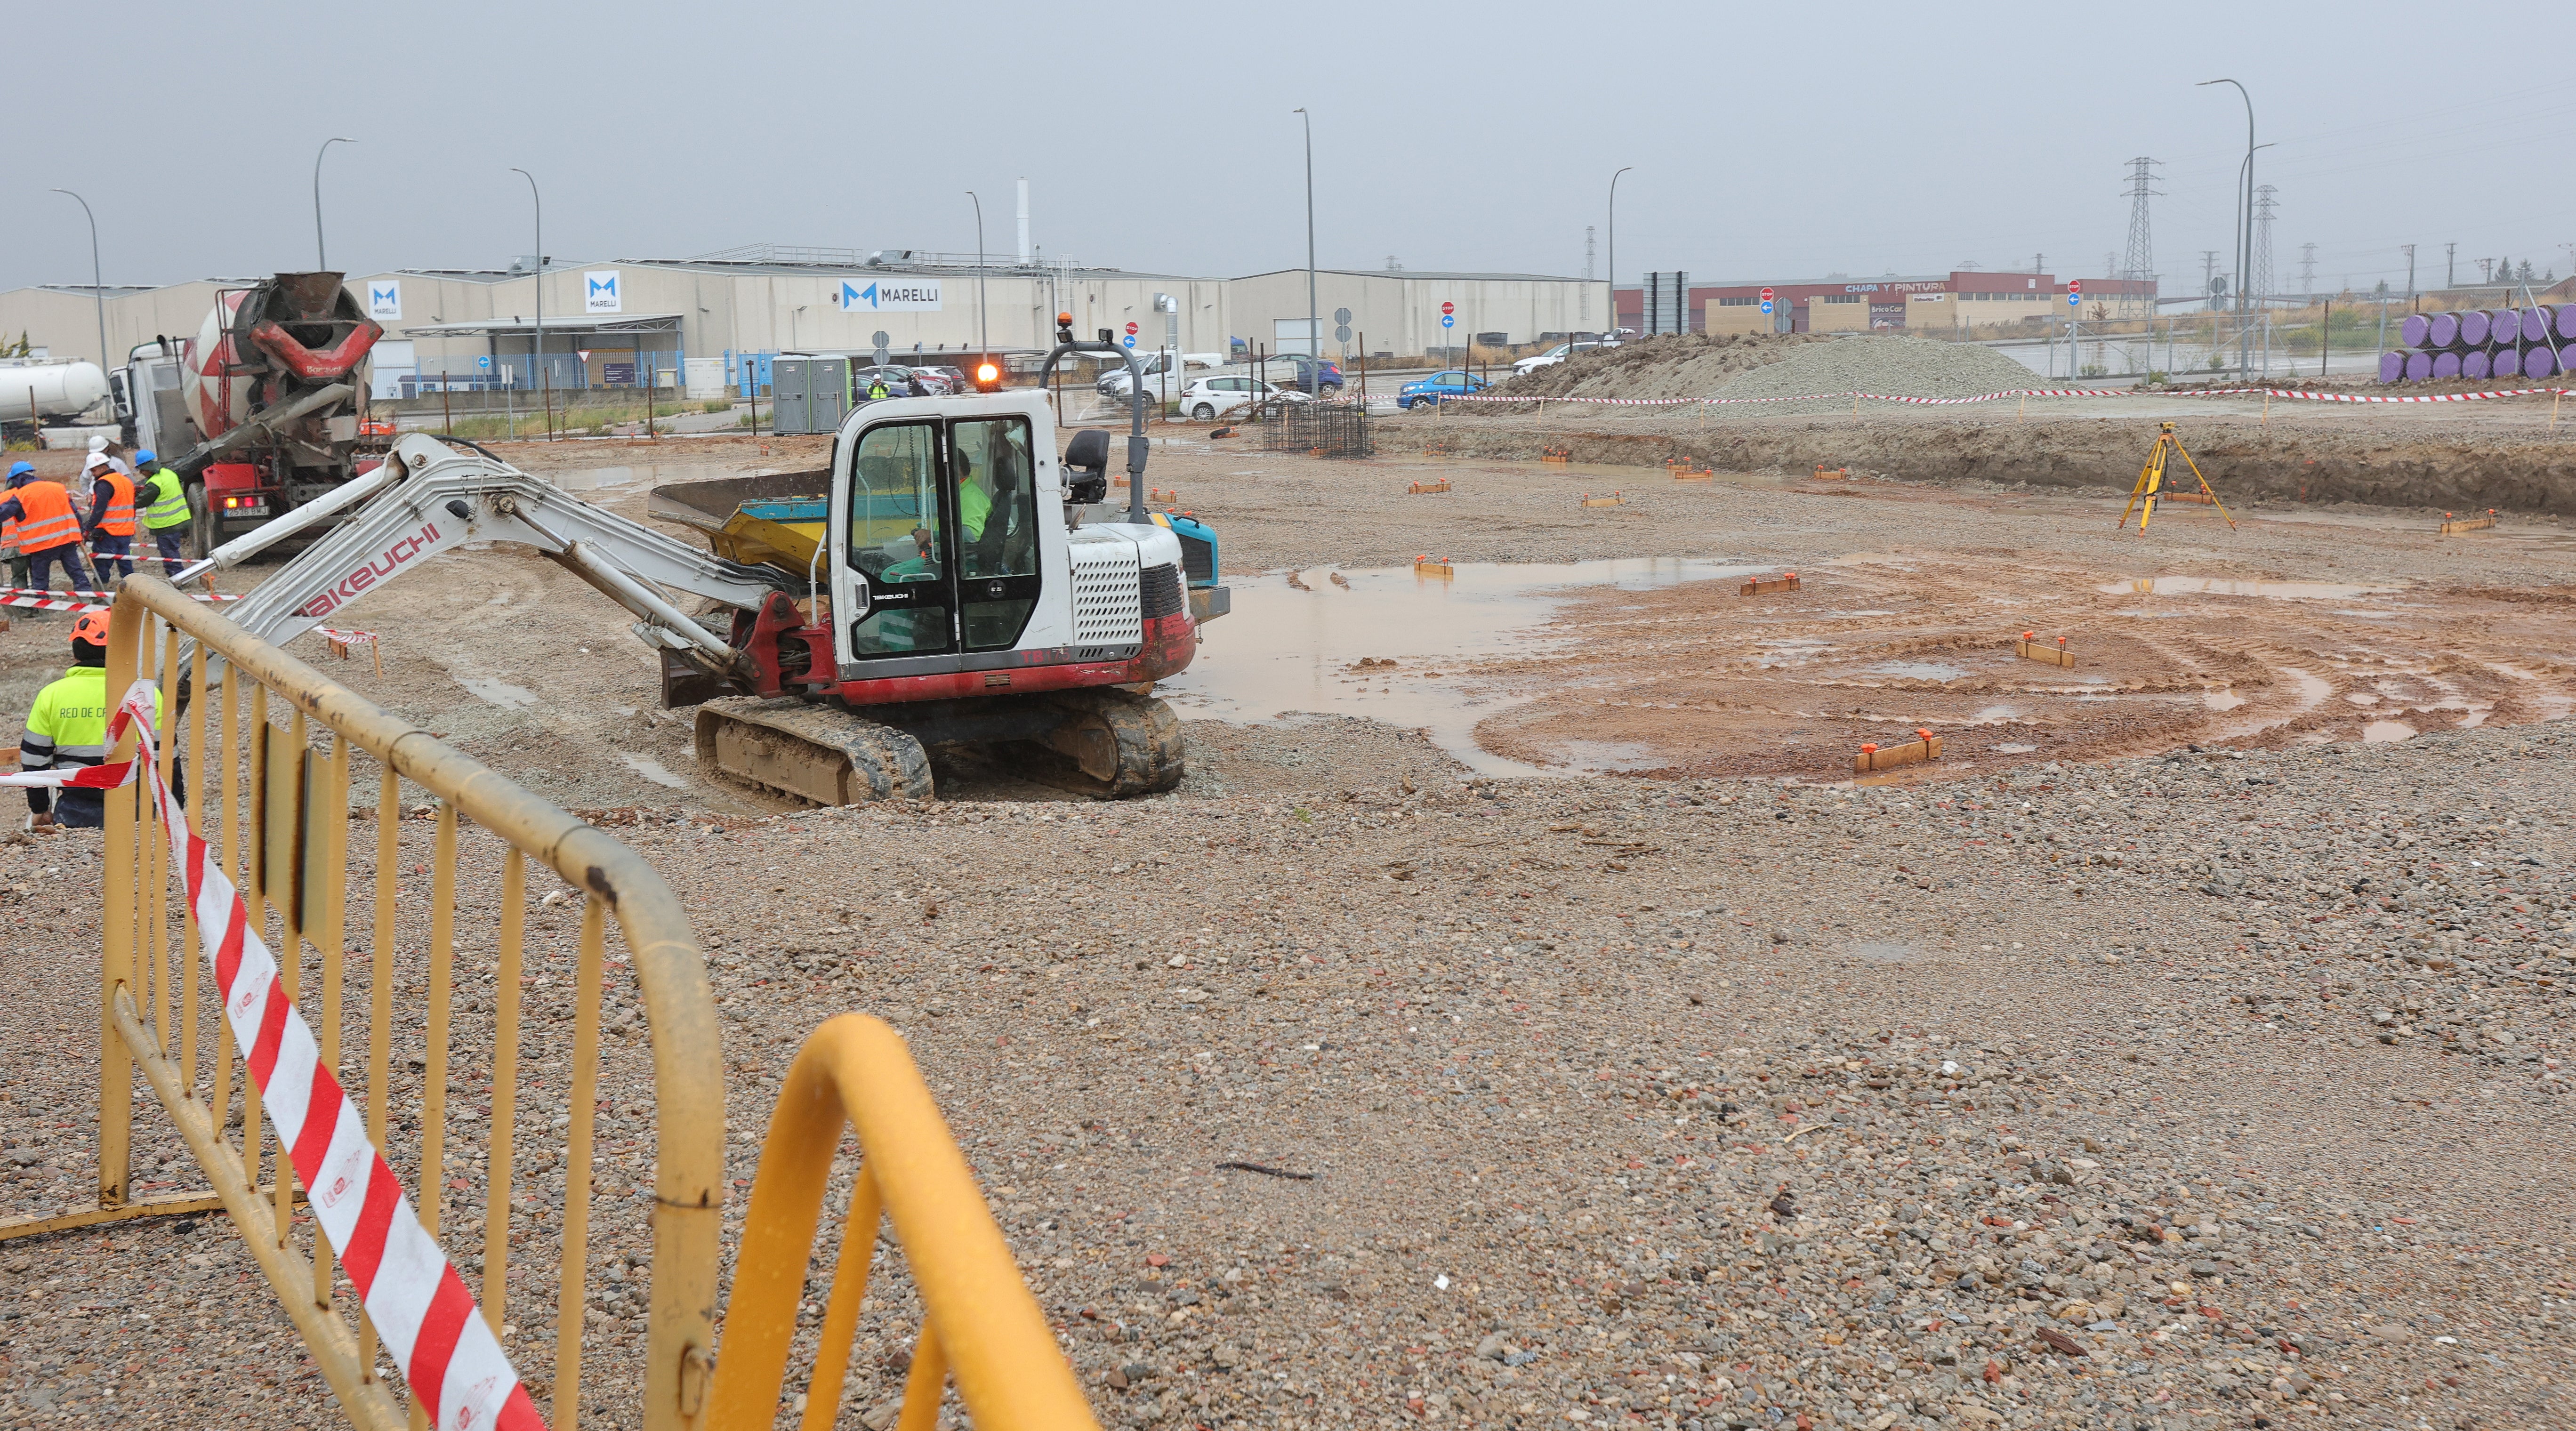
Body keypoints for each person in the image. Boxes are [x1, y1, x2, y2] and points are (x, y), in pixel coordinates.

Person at [19, 609, 171, 832]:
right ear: (124, 650)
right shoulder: (145, 695)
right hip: (136, 810)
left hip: (73, 811)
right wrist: (174, 809)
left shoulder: (51, 695)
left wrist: (40, 808)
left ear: (75, 653)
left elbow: (34, 761)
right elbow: (166, 758)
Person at [0, 461, 94, 608]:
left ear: (18, 478)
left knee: (40, 580)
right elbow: (75, 512)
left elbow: (3, 513)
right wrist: (81, 532)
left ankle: (43, 610)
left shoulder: (21, 495)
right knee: (77, 573)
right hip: (66, 541)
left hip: (41, 545)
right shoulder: (57, 488)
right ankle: (88, 603)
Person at [81, 450, 137, 583]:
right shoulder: (125, 481)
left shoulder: (104, 484)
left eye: (94, 470)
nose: (93, 474)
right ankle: (132, 590)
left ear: (103, 467)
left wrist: (88, 528)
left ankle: (100, 595)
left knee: (102, 566)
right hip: (126, 531)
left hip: (108, 532)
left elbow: (99, 510)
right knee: (125, 564)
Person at [133, 450, 190, 574]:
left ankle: (177, 576)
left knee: (168, 552)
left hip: (165, 524)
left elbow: (141, 502)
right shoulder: (169, 474)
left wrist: (128, 502)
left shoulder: (154, 484)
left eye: (143, 470)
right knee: (172, 550)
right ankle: (177, 574)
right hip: (178, 519)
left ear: (149, 468)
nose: (142, 473)